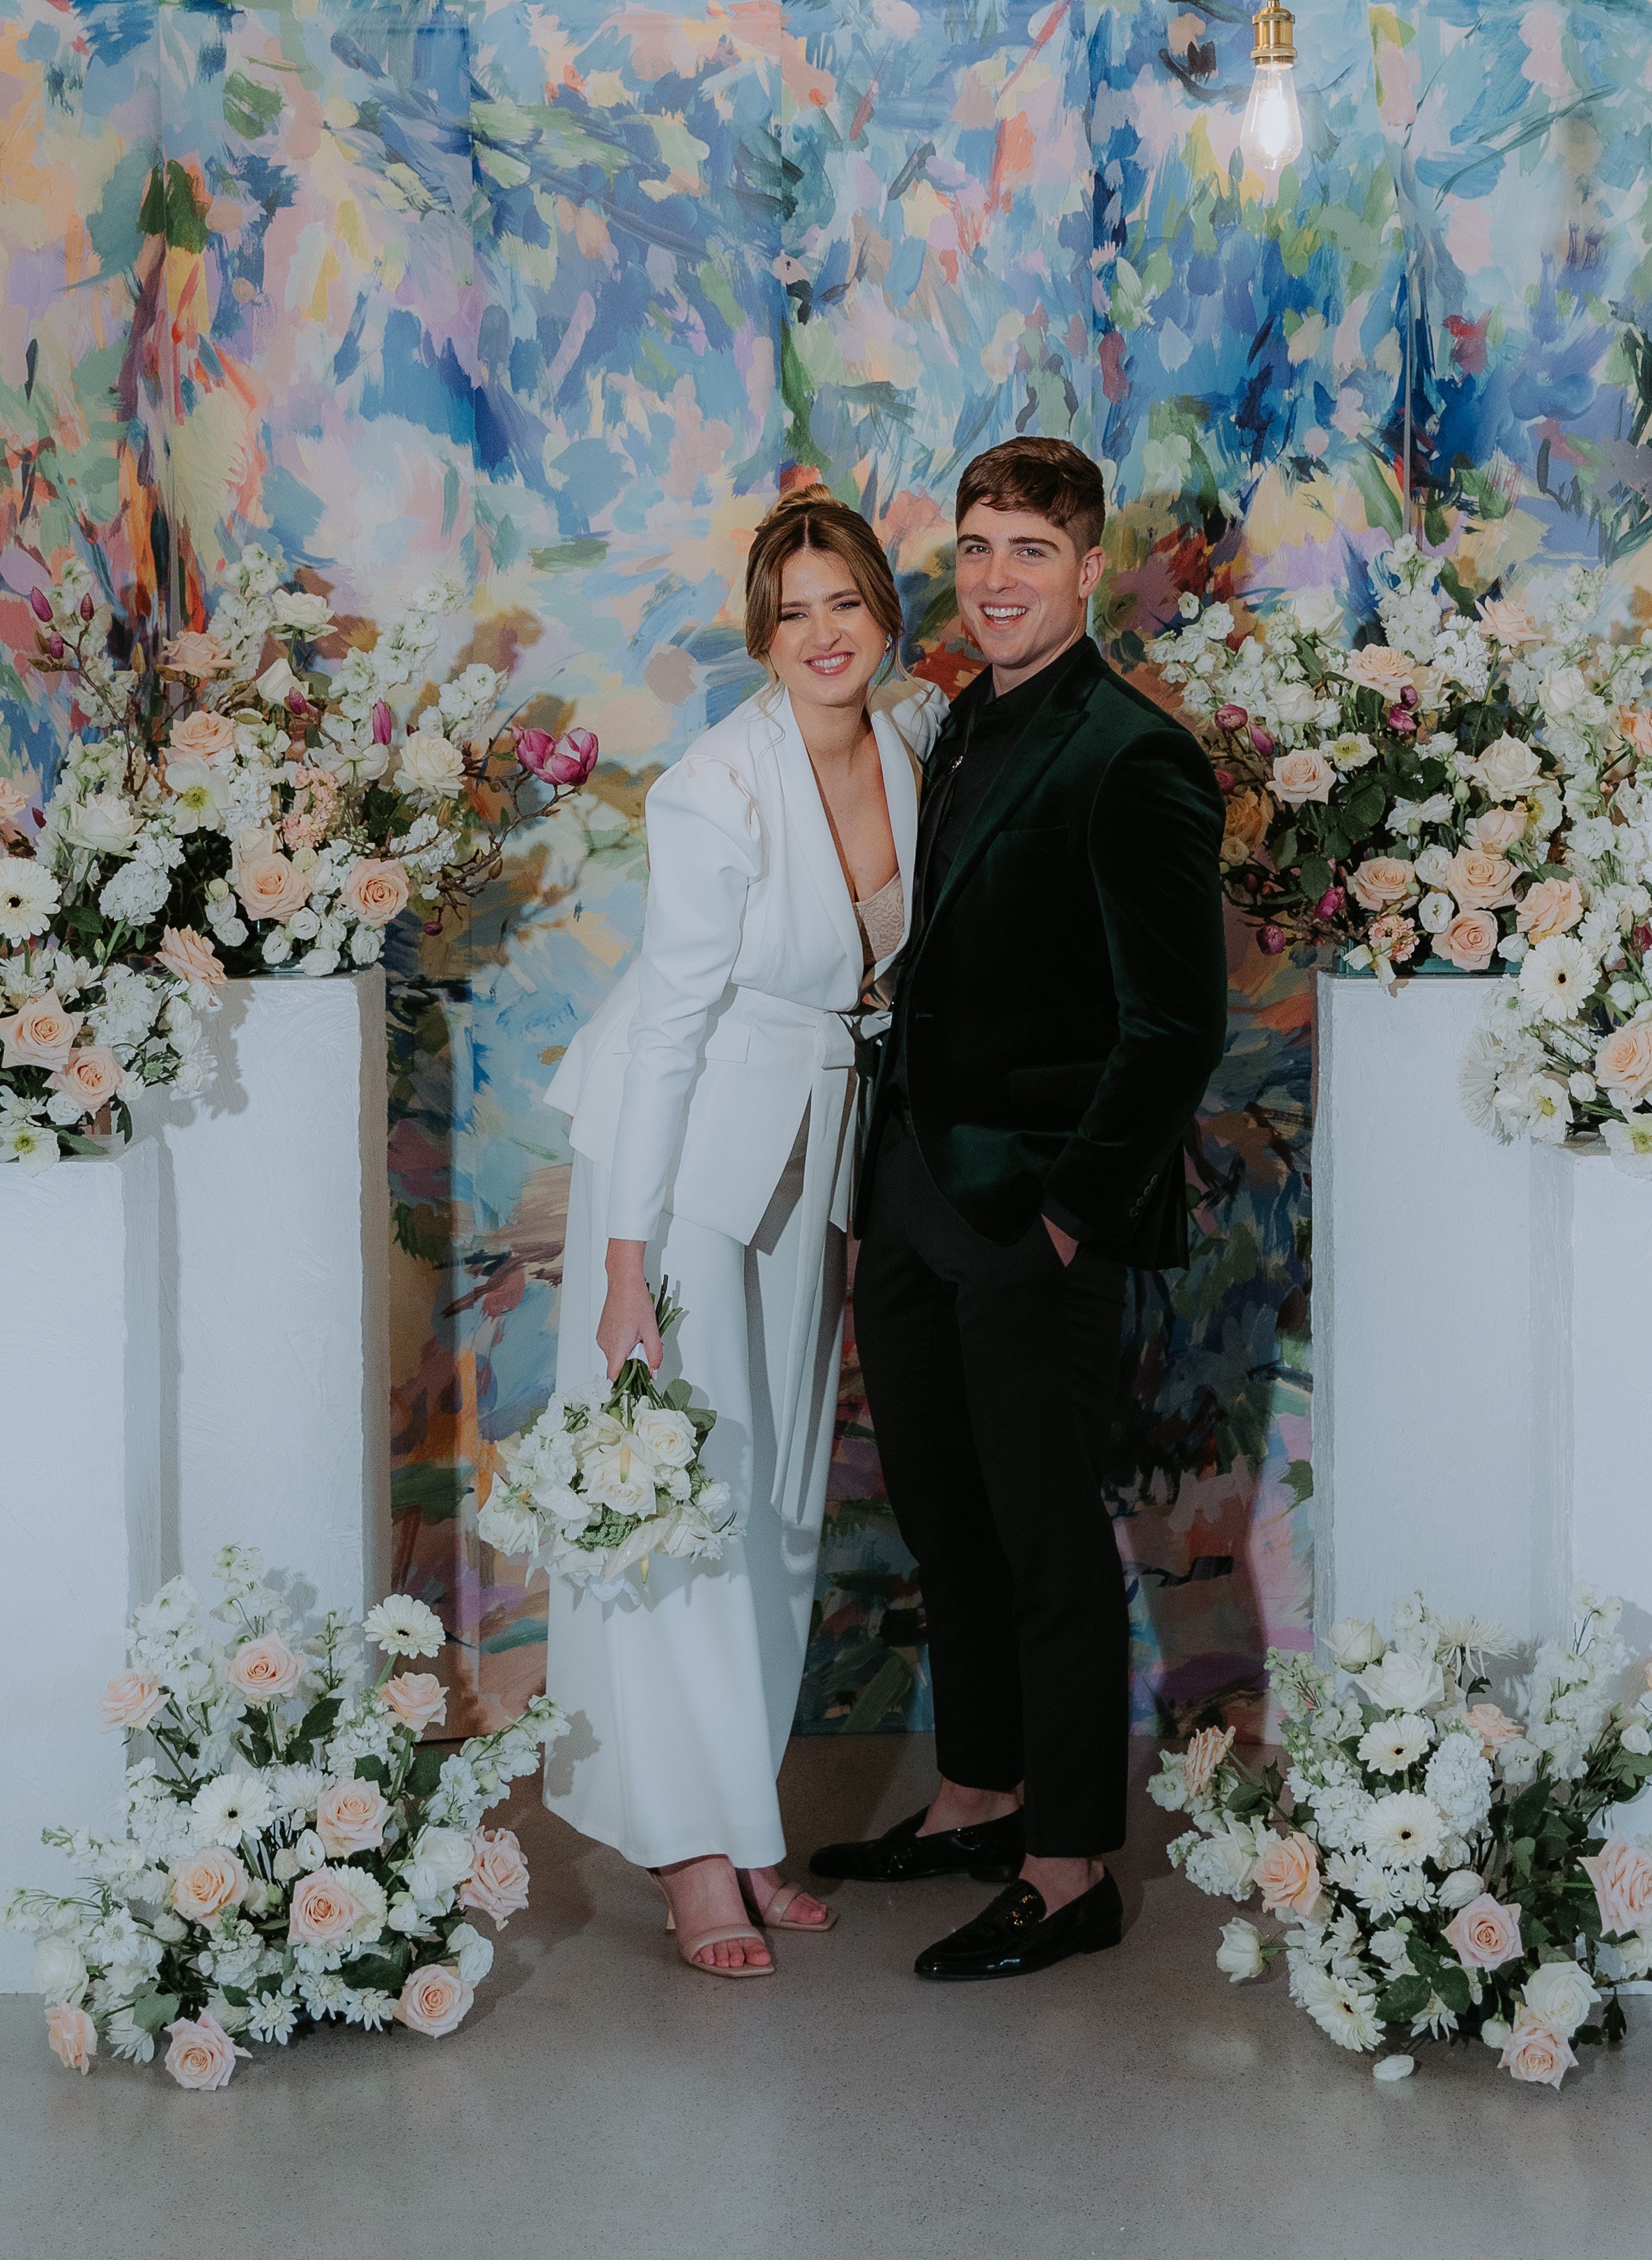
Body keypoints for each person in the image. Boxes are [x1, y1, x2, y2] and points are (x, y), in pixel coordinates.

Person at [810, 436, 1229, 1979]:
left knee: (1046, 1533)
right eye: (977, 546)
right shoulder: (955, 725)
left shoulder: (1134, 755)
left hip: (1034, 1211)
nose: (994, 576)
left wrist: (1065, 1213)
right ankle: (978, 1792)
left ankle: (1068, 1867)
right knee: (942, 1512)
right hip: (916, 1189)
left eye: (1028, 551)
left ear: (1088, 566)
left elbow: (1175, 1027)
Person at [541, 487, 945, 1977]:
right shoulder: (715, 785)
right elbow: (674, 1029)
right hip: (684, 1141)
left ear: (884, 612)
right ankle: (688, 1853)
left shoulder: (915, 739)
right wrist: (627, 1261)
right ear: (761, 637)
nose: (824, 633)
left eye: (845, 601)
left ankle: (747, 1819)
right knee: (681, 1495)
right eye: (794, 612)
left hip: (813, 1142)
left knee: (777, 1489)